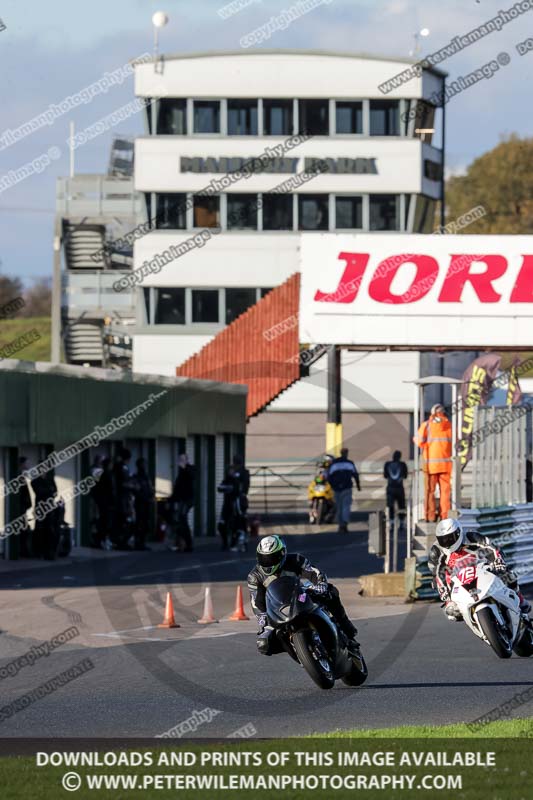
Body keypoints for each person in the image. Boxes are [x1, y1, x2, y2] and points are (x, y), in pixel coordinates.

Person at [248, 534, 360, 655]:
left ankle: (347, 630)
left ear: (282, 554)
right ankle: (299, 651)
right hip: (277, 610)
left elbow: (314, 572)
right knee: (264, 644)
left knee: (331, 592)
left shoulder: (295, 560)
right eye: (263, 558)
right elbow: (256, 602)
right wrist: (262, 620)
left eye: (271, 558)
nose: (267, 562)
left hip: (300, 597)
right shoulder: (254, 576)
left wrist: (320, 583)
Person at [428, 518, 531, 620]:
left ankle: (520, 600)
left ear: (459, 533)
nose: (447, 543)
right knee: (451, 613)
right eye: (443, 540)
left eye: (450, 538)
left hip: (481, 568)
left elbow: (491, 547)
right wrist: (444, 592)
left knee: (508, 575)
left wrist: (497, 561)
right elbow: (437, 574)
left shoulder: (471, 537)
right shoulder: (437, 551)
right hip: (456, 578)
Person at [414, 403, 452, 522]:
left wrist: (426, 444)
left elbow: (418, 441)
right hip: (446, 466)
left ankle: (430, 516)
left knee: (430, 492)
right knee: (445, 493)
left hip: (430, 466)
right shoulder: (449, 425)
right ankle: (444, 515)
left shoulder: (427, 425)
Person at [326, 448, 361, 533]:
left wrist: (332, 486)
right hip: (347, 487)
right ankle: (344, 523)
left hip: (337, 489)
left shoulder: (334, 464)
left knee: (339, 507)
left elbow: (329, 476)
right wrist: (358, 486)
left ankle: (340, 524)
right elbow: (355, 475)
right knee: (346, 506)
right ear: (346, 453)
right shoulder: (349, 463)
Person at [30, 469, 59, 560]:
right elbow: (40, 492)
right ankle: (38, 551)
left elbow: (55, 491)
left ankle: (49, 552)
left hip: (49, 507)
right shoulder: (35, 481)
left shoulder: (50, 479)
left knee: (49, 529)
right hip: (40, 508)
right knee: (39, 529)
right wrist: (49, 491)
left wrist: (50, 491)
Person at [170, 453, 195, 552]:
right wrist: (171, 499)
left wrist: (185, 467)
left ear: (187, 460)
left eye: (183, 459)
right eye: (180, 459)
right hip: (182, 499)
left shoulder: (190, 469)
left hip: (188, 499)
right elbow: (177, 487)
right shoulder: (181, 472)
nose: (180, 461)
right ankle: (181, 544)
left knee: (182, 519)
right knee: (180, 520)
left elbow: (191, 475)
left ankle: (188, 544)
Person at [113, 449, 135, 549]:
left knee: (125, 521)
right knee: (123, 521)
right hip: (122, 499)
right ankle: (121, 542)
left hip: (125, 498)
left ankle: (123, 541)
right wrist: (131, 486)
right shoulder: (120, 467)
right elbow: (122, 483)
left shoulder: (124, 467)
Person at [132, 457, 155, 551]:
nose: (144, 466)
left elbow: (150, 489)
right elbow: (135, 490)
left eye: (145, 464)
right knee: (140, 523)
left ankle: (142, 542)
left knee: (145, 523)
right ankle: (138, 543)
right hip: (140, 502)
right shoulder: (137, 477)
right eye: (143, 464)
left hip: (146, 502)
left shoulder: (146, 477)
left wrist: (151, 495)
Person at [383, 450, 408, 528]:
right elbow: (405, 475)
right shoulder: (402, 464)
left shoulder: (387, 464)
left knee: (390, 506)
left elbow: (385, 475)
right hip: (400, 488)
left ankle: (391, 522)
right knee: (401, 505)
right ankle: (401, 522)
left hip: (390, 488)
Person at [14, 456, 33, 557]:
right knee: (22, 530)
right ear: (22, 464)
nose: (28, 465)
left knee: (24, 530)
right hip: (20, 508)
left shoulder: (22, 476)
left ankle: (24, 550)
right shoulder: (18, 477)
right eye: (27, 463)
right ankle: (22, 551)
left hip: (23, 508)